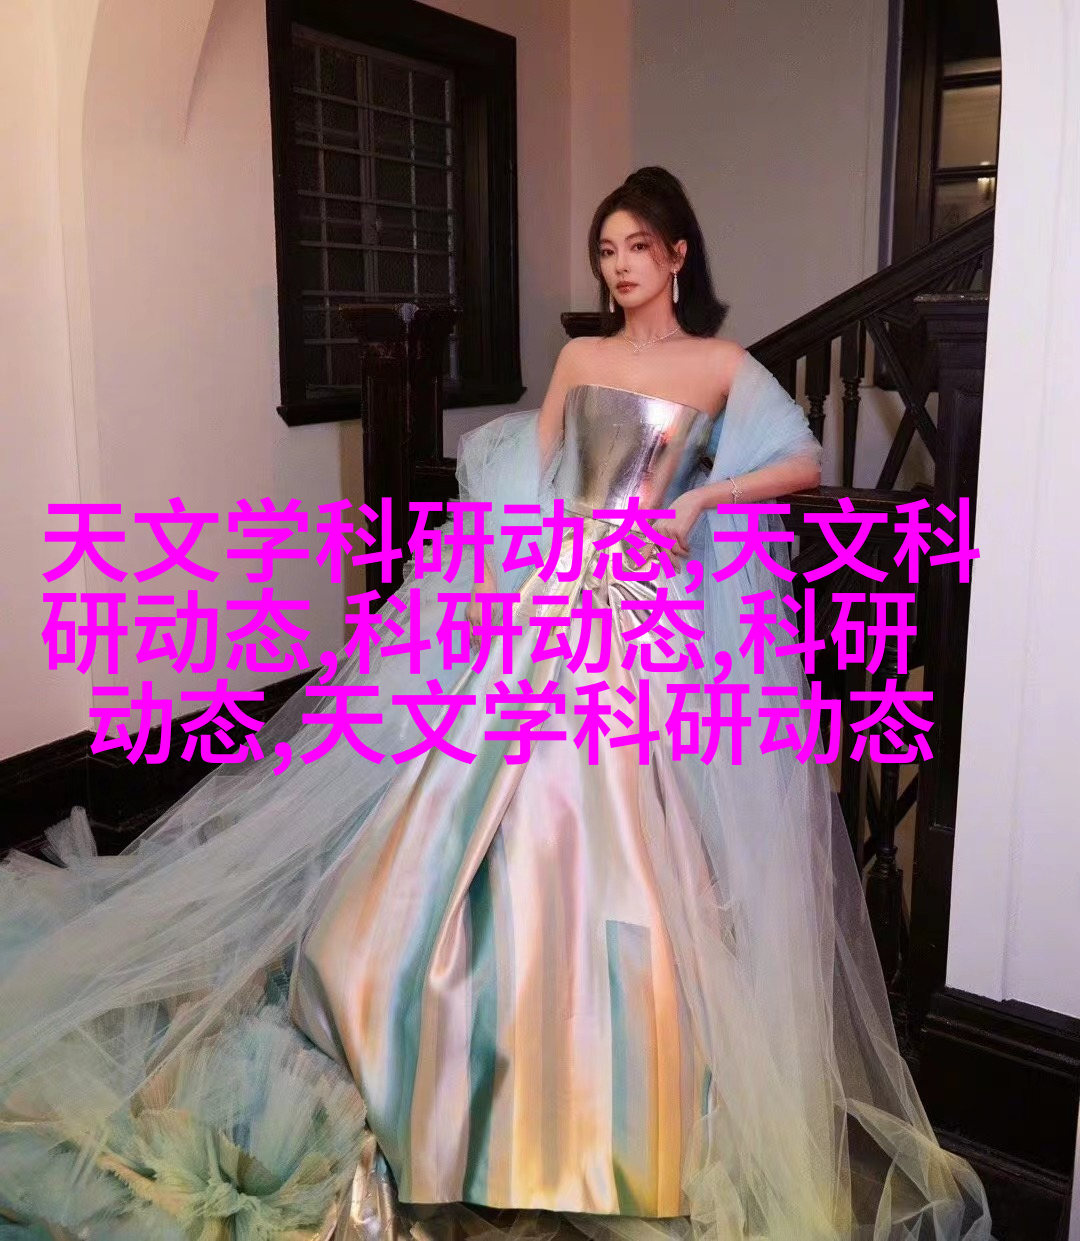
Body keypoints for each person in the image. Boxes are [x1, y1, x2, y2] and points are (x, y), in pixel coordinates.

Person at [0, 167, 993, 1241]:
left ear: (677, 255)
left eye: (637, 246)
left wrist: (702, 499)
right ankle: (434, 1052)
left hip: (645, 613)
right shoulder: (581, 357)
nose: (618, 266)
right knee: (463, 809)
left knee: (623, 832)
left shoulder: (719, 365)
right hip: (554, 590)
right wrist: (513, 579)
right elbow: (530, 477)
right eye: (605, 248)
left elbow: (799, 459)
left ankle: (607, 1097)